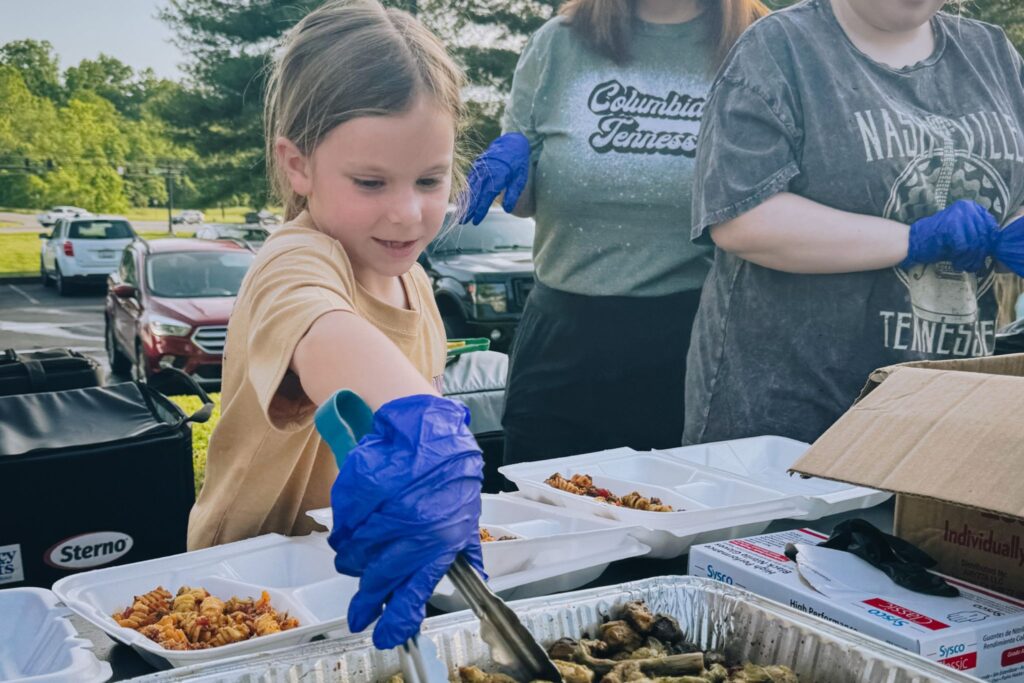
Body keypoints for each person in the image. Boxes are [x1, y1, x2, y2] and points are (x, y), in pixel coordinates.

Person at [187, 0, 484, 649]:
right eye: (372, 182)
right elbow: (329, 336)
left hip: (350, 590)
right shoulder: (295, 259)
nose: (408, 213)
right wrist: (432, 436)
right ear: (298, 164)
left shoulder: (416, 282)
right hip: (238, 604)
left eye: (431, 180)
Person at [683, 0, 1024, 446]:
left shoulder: (992, 54)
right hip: (791, 413)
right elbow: (743, 218)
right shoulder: (779, 48)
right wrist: (915, 239)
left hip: (944, 403)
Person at [463, 0, 769, 465]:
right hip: (561, 342)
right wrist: (515, 160)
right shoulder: (559, 42)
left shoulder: (761, 41)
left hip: (697, 346)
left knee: (678, 528)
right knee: (545, 523)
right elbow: (523, 201)